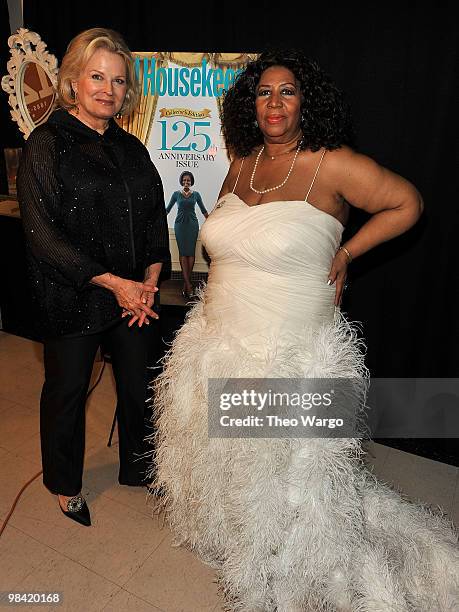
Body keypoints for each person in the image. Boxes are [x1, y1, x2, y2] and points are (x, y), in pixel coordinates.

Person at [149, 49, 459, 610]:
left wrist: (348, 251)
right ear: (251, 103)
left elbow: (406, 203)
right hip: (219, 337)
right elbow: (229, 239)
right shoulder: (241, 162)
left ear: (305, 102)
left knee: (290, 483)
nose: (274, 102)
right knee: (231, 463)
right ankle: (243, 541)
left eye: (287, 91)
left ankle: (284, 560)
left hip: (291, 350)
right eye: (264, 92)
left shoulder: (332, 163)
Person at [17, 28, 171, 527]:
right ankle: (64, 484)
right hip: (72, 294)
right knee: (66, 392)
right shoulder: (47, 143)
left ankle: (138, 467)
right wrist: (114, 282)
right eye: (97, 76)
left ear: (129, 91)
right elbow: (44, 237)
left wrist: (147, 278)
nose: (108, 88)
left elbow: (152, 216)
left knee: (138, 383)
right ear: (73, 81)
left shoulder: (132, 148)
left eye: (119, 81)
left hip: (133, 295)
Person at [166, 171, 208, 299]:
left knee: (191, 254)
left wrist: (213, 220)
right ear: (181, 181)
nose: (186, 182)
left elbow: (203, 210)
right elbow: (167, 209)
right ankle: (189, 285)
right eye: (184, 180)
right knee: (183, 254)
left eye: (188, 180)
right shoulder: (176, 194)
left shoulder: (196, 194)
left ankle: (186, 283)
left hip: (192, 225)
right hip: (180, 225)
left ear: (191, 182)